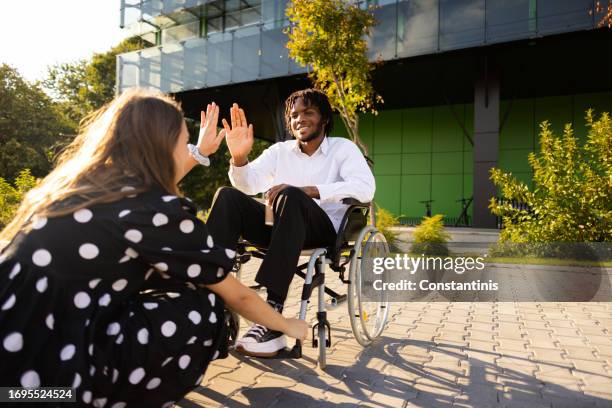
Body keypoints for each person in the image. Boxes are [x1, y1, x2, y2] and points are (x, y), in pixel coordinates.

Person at [0, 88, 307, 407]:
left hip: (13, 368)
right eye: (184, 142)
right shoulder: (154, 211)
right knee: (209, 309)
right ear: (164, 146)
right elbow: (239, 295)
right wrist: (288, 325)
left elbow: (149, 186)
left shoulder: (75, 189)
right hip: (54, 383)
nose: (186, 149)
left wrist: (200, 151)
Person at [206, 88, 375, 357]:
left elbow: (365, 189)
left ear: (324, 119)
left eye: (308, 113)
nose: (299, 119)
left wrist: (311, 190)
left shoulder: (343, 148)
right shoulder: (279, 151)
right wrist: (239, 158)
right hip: (279, 229)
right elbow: (249, 184)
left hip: (322, 230)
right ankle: (210, 299)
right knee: (227, 197)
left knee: (291, 194)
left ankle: (272, 317)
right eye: (294, 115)